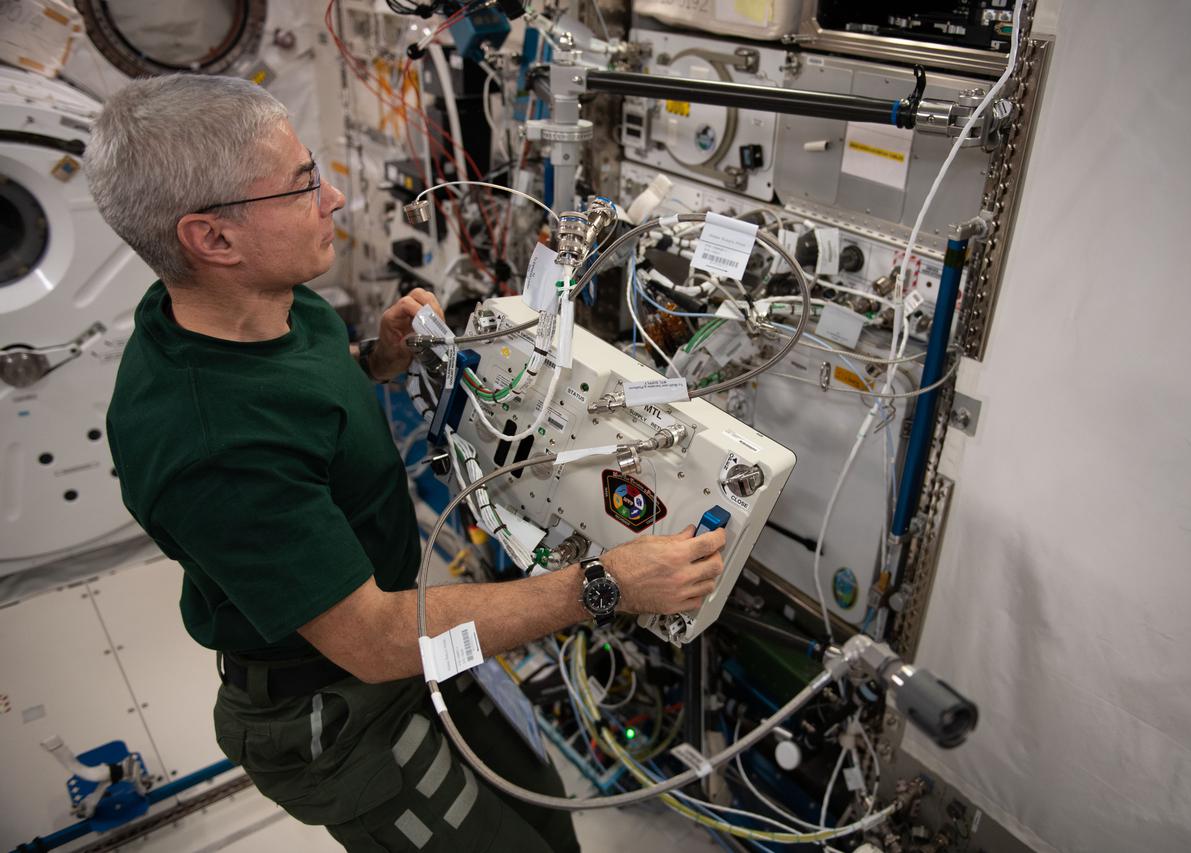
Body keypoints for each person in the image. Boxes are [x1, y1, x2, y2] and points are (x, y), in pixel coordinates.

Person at [87, 74, 726, 852]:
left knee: (546, 813)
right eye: (301, 187)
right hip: (333, 706)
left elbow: (299, 411)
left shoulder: (251, 303)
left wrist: (378, 357)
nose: (335, 198)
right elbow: (374, 638)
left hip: (404, 653)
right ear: (212, 239)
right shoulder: (211, 447)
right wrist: (607, 585)